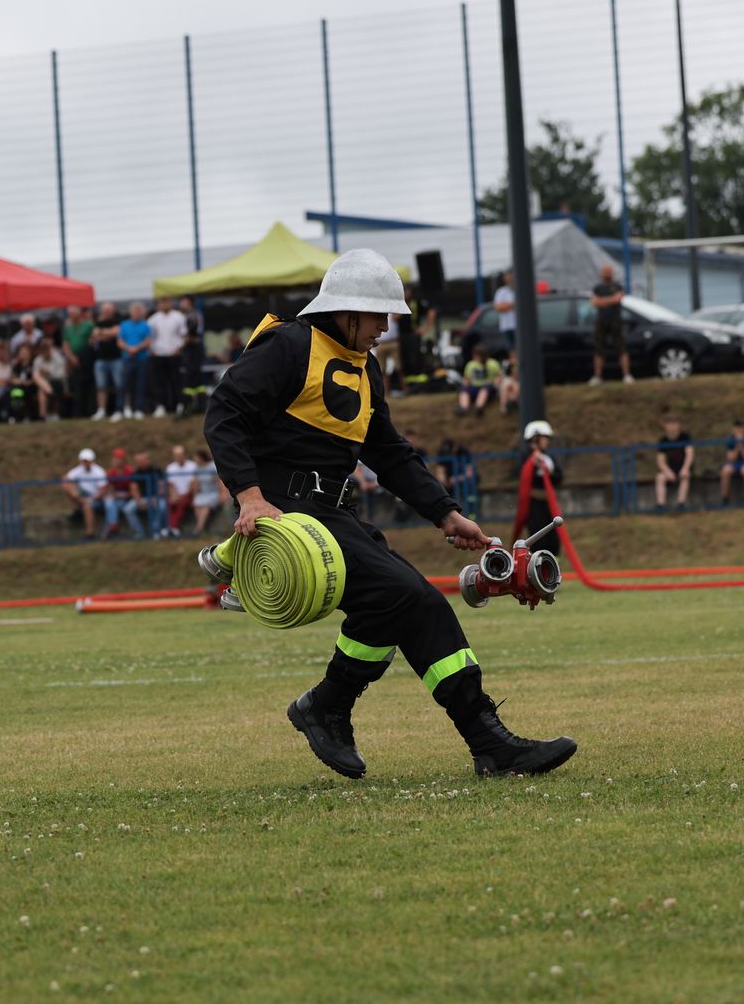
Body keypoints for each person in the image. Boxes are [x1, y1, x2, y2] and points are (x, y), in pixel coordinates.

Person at [203, 248, 573, 779]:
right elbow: (224, 414)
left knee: (390, 607)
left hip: (337, 513)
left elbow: (388, 453)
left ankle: (327, 705)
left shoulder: (365, 366)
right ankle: (487, 742)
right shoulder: (288, 344)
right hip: (292, 516)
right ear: (346, 311)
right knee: (415, 599)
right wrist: (250, 495)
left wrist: (446, 513)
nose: (384, 328)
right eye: (378, 316)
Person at [512, 420, 562, 551]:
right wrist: (534, 463)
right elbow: (523, 475)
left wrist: (548, 470)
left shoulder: (548, 457)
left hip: (549, 504)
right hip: (534, 505)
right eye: (546, 437)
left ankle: (552, 568)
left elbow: (558, 477)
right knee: (539, 540)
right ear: (536, 438)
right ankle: (537, 568)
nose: (548, 441)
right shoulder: (525, 456)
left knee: (554, 542)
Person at [588, 263, 632, 386]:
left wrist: (603, 300)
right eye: (605, 271)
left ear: (612, 273)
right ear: (602, 273)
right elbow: (595, 302)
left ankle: (626, 375)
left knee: (621, 348)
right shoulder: (598, 288)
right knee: (599, 350)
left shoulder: (617, 286)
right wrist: (610, 300)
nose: (607, 274)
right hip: (601, 322)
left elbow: (618, 299)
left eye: (609, 271)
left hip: (616, 322)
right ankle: (597, 376)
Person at [148, 296, 189, 417]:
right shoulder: (153, 320)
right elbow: (149, 337)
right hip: (158, 354)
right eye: (161, 302)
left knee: (177, 380)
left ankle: (179, 405)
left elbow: (184, 335)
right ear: (158, 304)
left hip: (174, 353)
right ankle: (161, 406)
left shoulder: (179, 317)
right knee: (159, 381)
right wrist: (153, 350)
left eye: (166, 302)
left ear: (171, 303)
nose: (164, 305)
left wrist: (179, 347)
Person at [61, 447, 107, 537]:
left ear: (92, 461)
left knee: (87, 506)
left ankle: (90, 533)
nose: (85, 463)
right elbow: (66, 479)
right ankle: (78, 508)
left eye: (87, 461)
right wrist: (74, 492)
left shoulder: (99, 472)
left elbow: (102, 491)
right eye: (83, 461)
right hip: (84, 496)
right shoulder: (79, 470)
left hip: (98, 499)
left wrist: (90, 500)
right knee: (69, 486)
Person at [119, 302, 154, 419]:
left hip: (142, 358)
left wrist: (137, 348)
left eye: (139, 311)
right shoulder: (124, 325)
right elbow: (120, 341)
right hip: (127, 358)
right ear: (131, 312)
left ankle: (138, 409)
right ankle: (122, 409)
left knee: (140, 384)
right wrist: (129, 349)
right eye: (135, 311)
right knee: (124, 384)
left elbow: (148, 340)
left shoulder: (145, 325)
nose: (137, 313)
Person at [90, 303, 124, 422]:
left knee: (118, 386)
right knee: (101, 386)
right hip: (101, 359)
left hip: (116, 358)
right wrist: (107, 333)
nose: (106, 312)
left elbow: (116, 333)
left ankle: (119, 409)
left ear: (113, 311)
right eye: (104, 310)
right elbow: (94, 335)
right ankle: (101, 410)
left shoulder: (118, 321)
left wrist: (102, 333)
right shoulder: (97, 323)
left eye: (108, 310)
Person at [654, 414, 693, 511]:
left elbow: (690, 454)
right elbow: (660, 461)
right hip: (670, 468)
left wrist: (685, 468)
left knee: (685, 476)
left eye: (674, 423)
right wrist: (667, 472)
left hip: (684, 467)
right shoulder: (663, 440)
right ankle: (661, 505)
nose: (672, 426)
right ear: (665, 426)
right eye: (669, 424)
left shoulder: (685, 437)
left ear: (679, 425)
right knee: (660, 477)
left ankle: (681, 504)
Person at [103, 448, 145, 538]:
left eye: (118, 458)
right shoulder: (111, 473)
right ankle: (112, 528)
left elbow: (134, 490)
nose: (115, 460)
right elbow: (110, 490)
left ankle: (139, 533)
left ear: (123, 460)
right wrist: (112, 494)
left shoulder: (130, 471)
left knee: (126, 509)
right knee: (109, 504)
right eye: (114, 458)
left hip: (129, 499)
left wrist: (123, 495)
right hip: (118, 500)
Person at [718, 419, 744, 504]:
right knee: (726, 470)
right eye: (737, 428)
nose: (739, 430)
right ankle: (725, 498)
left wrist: (742, 446)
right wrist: (737, 446)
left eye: (741, 428)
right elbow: (731, 458)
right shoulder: (730, 440)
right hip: (734, 463)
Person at [164, 445, 198, 538]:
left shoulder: (192, 466)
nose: (178, 457)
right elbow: (171, 485)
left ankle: (172, 527)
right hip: (177, 494)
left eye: (180, 454)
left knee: (181, 504)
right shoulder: (170, 468)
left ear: (185, 455)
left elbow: (193, 484)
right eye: (176, 455)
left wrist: (183, 495)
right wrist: (173, 495)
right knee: (169, 504)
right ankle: (171, 527)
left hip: (189, 494)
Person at [190, 448, 225, 534]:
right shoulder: (197, 468)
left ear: (201, 458)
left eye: (196, 457)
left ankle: (199, 529)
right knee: (196, 503)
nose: (195, 459)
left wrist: (222, 494)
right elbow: (196, 483)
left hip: (213, 493)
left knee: (205, 505)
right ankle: (202, 527)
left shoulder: (212, 466)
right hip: (203, 493)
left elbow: (218, 481)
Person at [457, 350, 498, 416]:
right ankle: (464, 408)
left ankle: (478, 407)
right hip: (474, 387)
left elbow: (499, 376)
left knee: (485, 389)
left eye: (479, 356)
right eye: (475, 356)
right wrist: (465, 385)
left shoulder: (492, 363)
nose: (477, 358)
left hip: (488, 388)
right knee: (464, 389)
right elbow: (466, 378)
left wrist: (496, 384)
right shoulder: (470, 364)